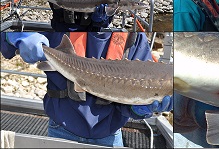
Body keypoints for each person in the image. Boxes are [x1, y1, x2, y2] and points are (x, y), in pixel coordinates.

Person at [0, 32, 172, 147]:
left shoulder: (134, 36)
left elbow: (130, 108)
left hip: (109, 134)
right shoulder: (60, 17)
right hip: (61, 129)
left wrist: (142, 110)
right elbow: (5, 40)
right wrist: (13, 37)